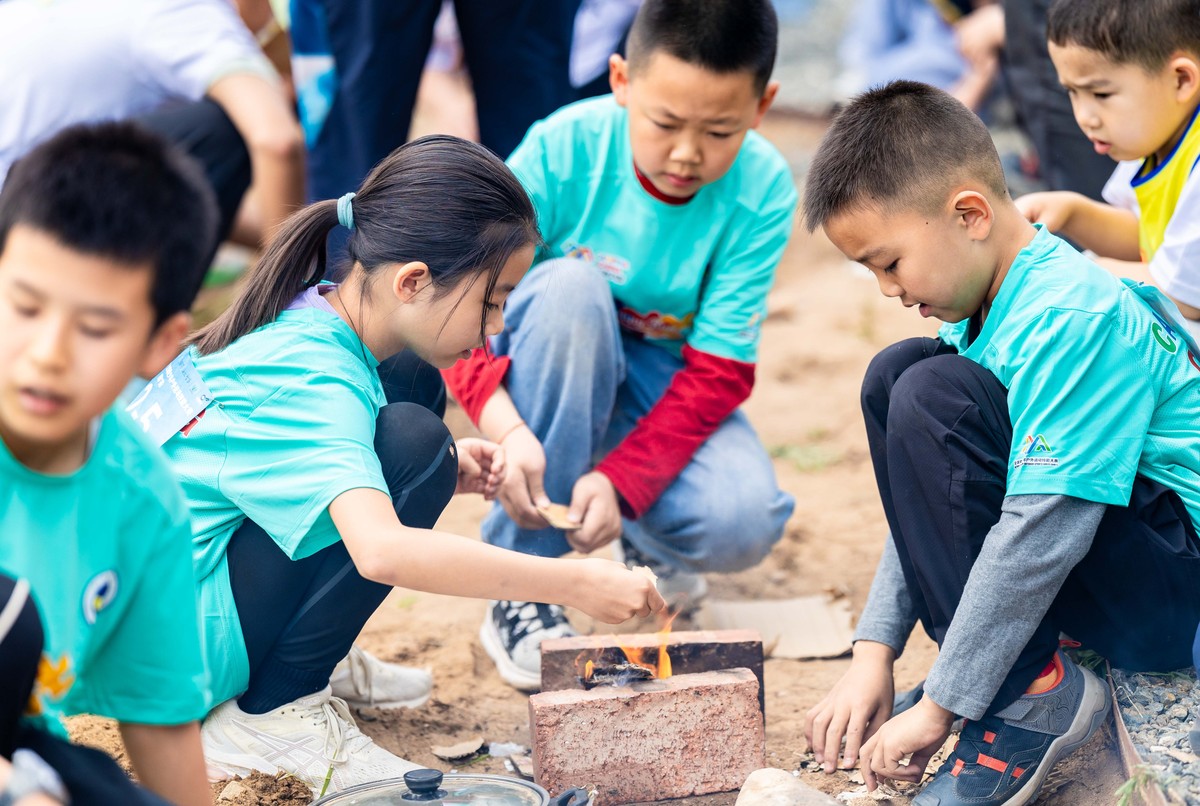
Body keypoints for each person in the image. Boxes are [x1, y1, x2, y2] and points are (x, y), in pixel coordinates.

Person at [137, 134, 665, 795]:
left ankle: (306, 654)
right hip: (164, 652)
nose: (496, 327)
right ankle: (270, 709)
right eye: (491, 300)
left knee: (414, 391)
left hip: (169, 595)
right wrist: (573, 584)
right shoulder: (311, 380)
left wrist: (446, 466)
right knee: (415, 444)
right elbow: (381, 551)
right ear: (412, 280)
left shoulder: (316, 311)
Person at [801, 81, 1200, 806]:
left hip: (1180, 589)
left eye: (889, 263)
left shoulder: (1071, 316)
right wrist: (872, 653)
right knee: (900, 376)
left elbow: (1041, 531)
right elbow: (934, 495)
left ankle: (1032, 698)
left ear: (969, 214)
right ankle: (1013, 676)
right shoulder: (989, 307)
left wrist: (942, 704)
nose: (886, 289)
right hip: (1120, 566)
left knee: (930, 393)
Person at [437, 0, 796, 692]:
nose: (687, 153)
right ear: (622, 81)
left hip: (655, 373)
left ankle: (618, 521)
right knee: (573, 289)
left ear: (761, 106)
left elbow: (718, 371)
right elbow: (458, 300)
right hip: (548, 348)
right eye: (665, 123)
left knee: (742, 519)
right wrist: (507, 427)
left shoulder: (763, 189)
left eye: (719, 130)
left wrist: (623, 482)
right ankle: (525, 578)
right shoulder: (564, 149)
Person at [0, 122, 220, 806]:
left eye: (95, 329)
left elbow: (161, 727)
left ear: (159, 343)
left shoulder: (142, 503)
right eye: (25, 307)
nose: (48, 353)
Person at [0, 0, 304, 251]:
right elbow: (276, 140)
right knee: (221, 126)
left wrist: (311, 230)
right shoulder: (186, 12)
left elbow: (190, 194)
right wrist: (286, 288)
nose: (268, 29)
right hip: (26, 237)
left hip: (22, 211)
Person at [1015, 0, 1200, 342]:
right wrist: (1071, 212)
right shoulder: (1152, 135)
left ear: (1182, 80)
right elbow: (1146, 239)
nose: (1085, 116)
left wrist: (1068, 269)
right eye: (1072, 92)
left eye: (1101, 93)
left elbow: (1183, 296)